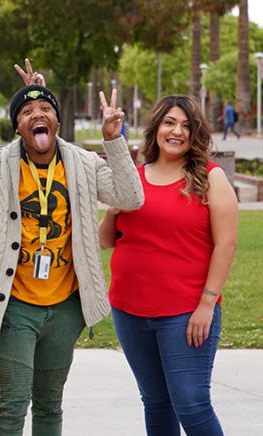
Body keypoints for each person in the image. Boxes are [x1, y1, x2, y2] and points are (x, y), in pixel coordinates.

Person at [0, 60, 144, 436]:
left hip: (66, 307)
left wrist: (113, 141)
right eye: (27, 111)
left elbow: (130, 198)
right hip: (15, 304)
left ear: (57, 121)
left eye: (46, 109)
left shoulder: (82, 163)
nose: (38, 114)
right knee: (13, 405)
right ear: (17, 126)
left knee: (50, 405)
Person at [99, 94, 237, 436]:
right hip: (130, 311)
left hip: (186, 313)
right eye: (170, 123)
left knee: (191, 404)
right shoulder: (134, 175)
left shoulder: (210, 177)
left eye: (187, 126)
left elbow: (227, 243)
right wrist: (113, 208)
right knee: (156, 402)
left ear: (196, 134)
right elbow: (107, 239)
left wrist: (207, 302)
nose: (177, 132)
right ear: (156, 127)